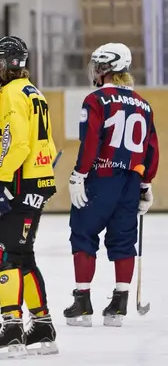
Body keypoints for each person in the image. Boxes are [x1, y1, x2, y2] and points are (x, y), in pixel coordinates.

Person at [64, 43, 159, 328]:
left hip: (100, 179)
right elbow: (151, 148)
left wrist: (79, 173)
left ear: (106, 68)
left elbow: (91, 140)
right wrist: (145, 184)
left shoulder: (96, 100)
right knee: (123, 240)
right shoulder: (144, 104)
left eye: (97, 65)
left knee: (83, 234)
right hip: (130, 182)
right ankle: (119, 305)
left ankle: (82, 304)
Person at [0, 36, 58, 359]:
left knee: (5, 254)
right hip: (38, 181)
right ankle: (42, 325)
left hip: (19, 183)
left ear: (6, 63)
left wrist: (3, 182)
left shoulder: (8, 94)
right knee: (24, 256)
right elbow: (47, 146)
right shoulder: (33, 91)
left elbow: (18, 142)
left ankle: (11, 330)